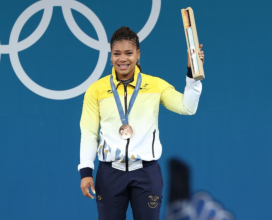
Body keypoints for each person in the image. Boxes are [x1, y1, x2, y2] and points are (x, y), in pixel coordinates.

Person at [78, 26, 204, 220]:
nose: (122, 59)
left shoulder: (155, 85)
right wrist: (86, 171)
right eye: (116, 53)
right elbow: (88, 133)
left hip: (146, 173)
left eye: (129, 53)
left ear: (138, 54)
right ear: (110, 56)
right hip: (109, 173)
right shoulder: (96, 90)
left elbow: (187, 108)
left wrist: (191, 74)